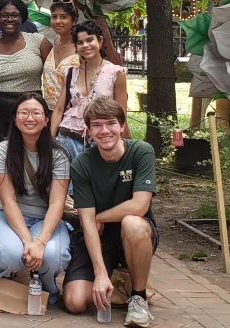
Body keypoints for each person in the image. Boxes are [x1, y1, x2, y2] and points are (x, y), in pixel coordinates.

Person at [62, 98, 159, 327]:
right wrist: (100, 274)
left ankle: (138, 296)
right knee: (75, 301)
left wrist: (100, 216)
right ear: (88, 130)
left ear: (122, 126)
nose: (104, 131)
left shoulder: (141, 151)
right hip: (98, 235)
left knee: (132, 223)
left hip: (135, 233)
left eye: (111, 123)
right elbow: (87, 224)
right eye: (96, 125)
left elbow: (140, 206)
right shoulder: (82, 163)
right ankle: (122, 278)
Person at [0, 94, 72, 304]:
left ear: (46, 119)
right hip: (10, 215)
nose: (30, 118)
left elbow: (56, 203)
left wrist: (40, 242)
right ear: (15, 119)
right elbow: (8, 201)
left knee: (53, 256)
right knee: (9, 255)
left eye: (36, 113)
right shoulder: (3, 150)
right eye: (23, 113)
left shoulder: (59, 154)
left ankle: (47, 288)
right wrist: (28, 242)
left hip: (45, 218)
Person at [52, 20, 129, 160]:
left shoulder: (115, 73)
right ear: (75, 46)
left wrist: (125, 144)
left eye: (89, 40)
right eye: (80, 42)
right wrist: (50, 141)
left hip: (101, 138)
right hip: (68, 138)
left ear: (100, 41)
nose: (85, 46)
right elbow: (58, 110)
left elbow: (121, 112)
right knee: (69, 181)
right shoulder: (70, 73)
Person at [0, 0, 52, 134]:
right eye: (4, 15)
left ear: (22, 18)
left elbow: (54, 77)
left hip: (31, 112)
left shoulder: (38, 41)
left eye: (15, 15)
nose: (9, 19)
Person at [41, 0, 80, 114]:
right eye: (54, 17)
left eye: (63, 17)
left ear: (74, 20)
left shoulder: (81, 46)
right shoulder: (57, 40)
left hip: (72, 113)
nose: (57, 21)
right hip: (48, 111)